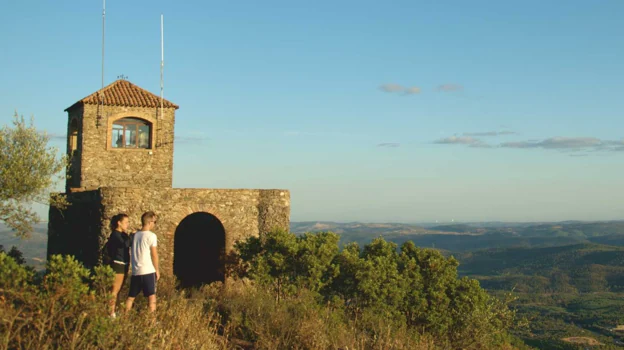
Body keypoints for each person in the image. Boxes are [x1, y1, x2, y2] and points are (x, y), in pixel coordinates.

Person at [126, 211, 160, 312]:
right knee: (151, 297)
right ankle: (152, 321)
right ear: (150, 222)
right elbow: (154, 254)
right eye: (154, 222)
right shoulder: (151, 236)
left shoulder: (135, 235)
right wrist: (157, 270)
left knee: (131, 297)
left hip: (136, 271)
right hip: (148, 271)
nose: (154, 224)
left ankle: (124, 317)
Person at [107, 213, 131, 318]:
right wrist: (131, 237)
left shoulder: (123, 235)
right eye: (126, 222)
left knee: (119, 289)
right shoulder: (115, 235)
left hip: (124, 264)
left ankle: (114, 310)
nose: (127, 225)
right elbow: (124, 244)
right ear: (119, 223)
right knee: (114, 290)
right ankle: (110, 313)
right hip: (118, 264)